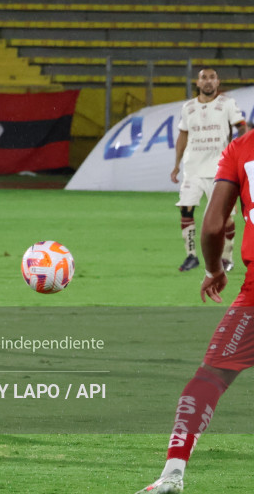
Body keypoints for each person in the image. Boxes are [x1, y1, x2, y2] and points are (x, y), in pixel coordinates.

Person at [135, 121, 253, 494]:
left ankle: (172, 473)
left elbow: (213, 225)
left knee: (210, 378)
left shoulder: (241, 148)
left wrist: (215, 268)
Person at [170, 68, 246, 273]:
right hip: (193, 169)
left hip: (221, 171)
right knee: (186, 209)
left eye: (212, 78)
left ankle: (226, 257)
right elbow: (183, 136)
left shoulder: (227, 104)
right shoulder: (188, 108)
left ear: (218, 82)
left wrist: (243, 152)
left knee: (226, 217)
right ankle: (191, 256)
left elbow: (241, 127)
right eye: (204, 78)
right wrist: (177, 164)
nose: (208, 82)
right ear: (198, 82)